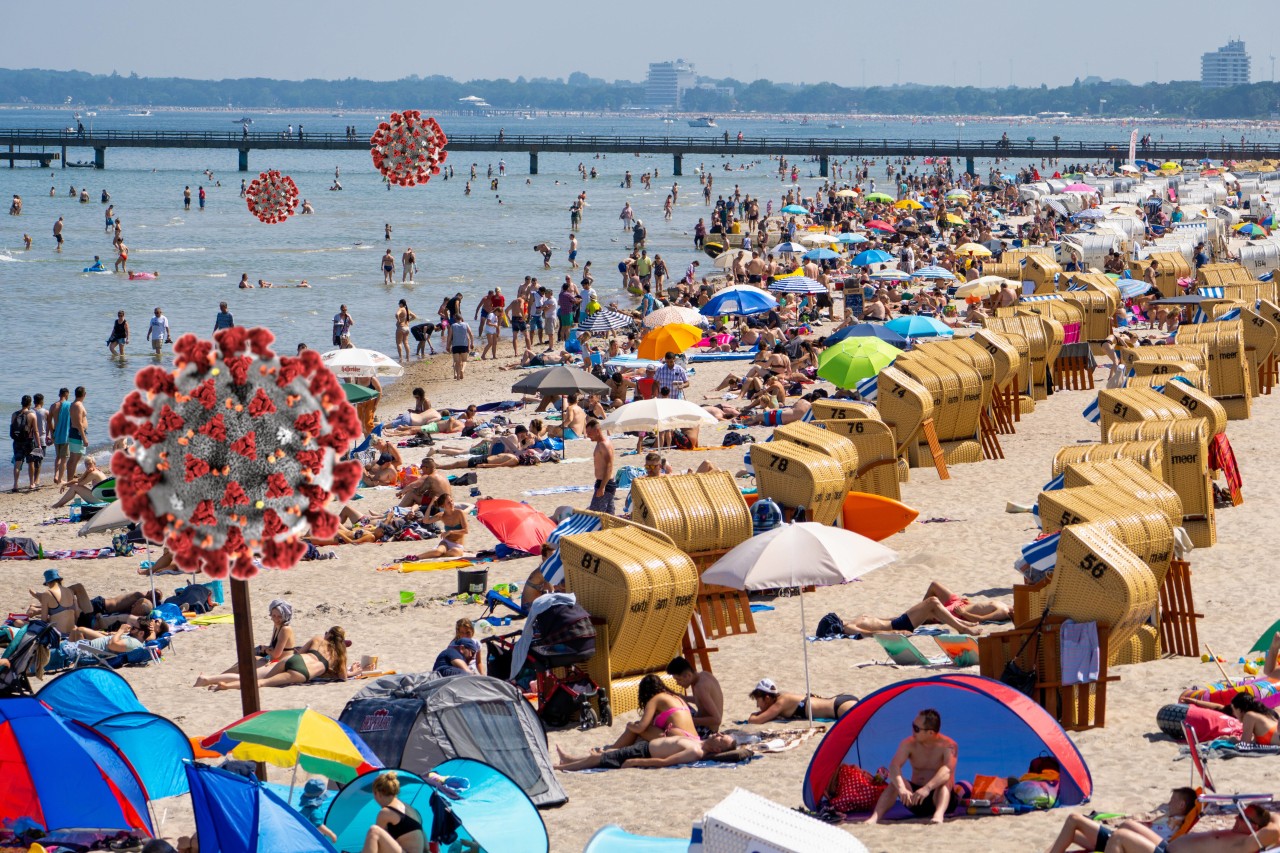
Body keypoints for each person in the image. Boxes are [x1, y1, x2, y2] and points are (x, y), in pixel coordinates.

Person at [864, 708, 957, 825]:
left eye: (917, 729)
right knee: (895, 783)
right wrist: (902, 788)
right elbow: (894, 766)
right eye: (913, 725)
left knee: (945, 782)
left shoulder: (949, 745)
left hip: (939, 799)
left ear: (931, 733)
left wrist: (927, 788)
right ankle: (875, 817)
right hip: (916, 799)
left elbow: (947, 770)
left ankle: (938, 815)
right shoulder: (908, 744)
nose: (913, 731)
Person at [194, 626, 352, 690]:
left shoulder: (318, 639)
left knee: (255, 676)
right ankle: (225, 686)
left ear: (329, 634)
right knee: (262, 683)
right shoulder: (339, 656)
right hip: (301, 673)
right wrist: (354, 672)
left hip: (294, 660)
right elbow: (343, 677)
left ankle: (208, 679)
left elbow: (299, 653)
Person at [1044, 788, 1196, 853]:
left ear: (1181, 805)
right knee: (1073, 830)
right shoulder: (1168, 818)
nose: (1168, 803)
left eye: (1172, 800)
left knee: (1074, 819)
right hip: (1122, 841)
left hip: (1124, 845)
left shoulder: (1174, 823)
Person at [1108, 802, 1280, 853]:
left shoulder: (1248, 843)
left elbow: (1276, 826)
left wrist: (1267, 816)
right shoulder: (1239, 834)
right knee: (1128, 824)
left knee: (1120, 836)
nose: (1236, 817)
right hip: (1168, 847)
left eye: (1242, 817)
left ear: (1255, 827)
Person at [554, 732, 737, 771]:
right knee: (602, 756)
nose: (720, 734)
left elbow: (667, 762)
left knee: (600, 759)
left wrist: (636, 762)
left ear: (717, 749)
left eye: (722, 738)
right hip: (643, 747)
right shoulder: (700, 741)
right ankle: (569, 759)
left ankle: (560, 767)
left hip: (642, 754)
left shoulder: (696, 752)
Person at [826, 594, 986, 638]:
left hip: (898, 621)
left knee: (931, 609)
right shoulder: (848, 627)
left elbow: (881, 620)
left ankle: (960, 623)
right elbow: (869, 634)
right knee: (933, 602)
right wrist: (895, 633)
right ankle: (963, 629)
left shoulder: (853, 621)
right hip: (898, 626)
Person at [607, 674, 698, 750]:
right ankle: (615, 748)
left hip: (679, 741)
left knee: (635, 726)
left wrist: (629, 725)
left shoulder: (656, 699)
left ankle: (614, 749)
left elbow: (640, 728)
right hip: (695, 740)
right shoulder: (676, 697)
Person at [359, 770, 427, 853]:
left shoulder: (385, 812)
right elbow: (426, 846)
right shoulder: (414, 811)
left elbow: (377, 845)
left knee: (374, 831)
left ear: (377, 793)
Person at [747, 678, 858, 724]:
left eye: (758, 701)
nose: (757, 706)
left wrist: (753, 715)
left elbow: (756, 721)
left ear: (767, 698)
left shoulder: (781, 703)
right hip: (839, 702)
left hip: (838, 708)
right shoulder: (782, 698)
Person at [667, 656, 724, 734]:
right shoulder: (705, 674)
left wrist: (689, 720)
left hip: (707, 731)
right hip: (704, 724)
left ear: (688, 675)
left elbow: (717, 720)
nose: (677, 683)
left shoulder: (700, 687)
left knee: (669, 725)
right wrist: (683, 697)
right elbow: (702, 701)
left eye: (679, 679)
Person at [417, 493, 468, 558]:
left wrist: (450, 532)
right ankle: (416, 557)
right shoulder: (442, 515)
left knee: (454, 551)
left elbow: (466, 531)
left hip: (458, 545)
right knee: (438, 552)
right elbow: (426, 521)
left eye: (451, 501)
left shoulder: (459, 513)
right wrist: (430, 505)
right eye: (448, 503)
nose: (451, 503)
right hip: (446, 542)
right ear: (443, 506)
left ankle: (442, 555)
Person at [586, 419, 615, 514]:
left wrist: (602, 487)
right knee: (609, 516)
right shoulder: (601, 443)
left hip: (605, 483)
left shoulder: (603, 444)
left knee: (596, 515)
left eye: (589, 433)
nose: (588, 435)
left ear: (597, 431)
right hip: (605, 483)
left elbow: (609, 466)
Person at [10, 395, 38, 493]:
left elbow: (12, 429)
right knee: (31, 463)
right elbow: (36, 431)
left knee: (17, 463)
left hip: (17, 442)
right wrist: (38, 445)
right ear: (30, 404)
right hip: (28, 441)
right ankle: (31, 483)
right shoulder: (32, 415)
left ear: (21, 402)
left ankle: (15, 484)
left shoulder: (14, 414)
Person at [49, 387, 71, 486]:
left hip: (56, 434)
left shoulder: (53, 406)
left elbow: (49, 421)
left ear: (59, 395)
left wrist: (52, 433)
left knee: (58, 457)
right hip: (65, 434)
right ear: (66, 395)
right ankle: (60, 479)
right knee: (64, 459)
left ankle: (56, 475)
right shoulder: (69, 405)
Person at [67, 386, 88, 480]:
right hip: (77, 433)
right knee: (73, 458)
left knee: (76, 457)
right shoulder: (78, 405)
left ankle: (71, 476)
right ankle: (69, 479)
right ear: (84, 394)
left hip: (76, 432)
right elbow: (79, 423)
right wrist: (84, 438)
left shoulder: (74, 404)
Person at [447, 314, 474, 380]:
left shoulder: (453, 325)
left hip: (455, 346)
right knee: (464, 360)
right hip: (464, 345)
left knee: (457, 362)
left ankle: (458, 377)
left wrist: (447, 345)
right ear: (461, 318)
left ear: (455, 319)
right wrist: (472, 343)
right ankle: (462, 370)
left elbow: (449, 336)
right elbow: (471, 334)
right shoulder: (466, 324)